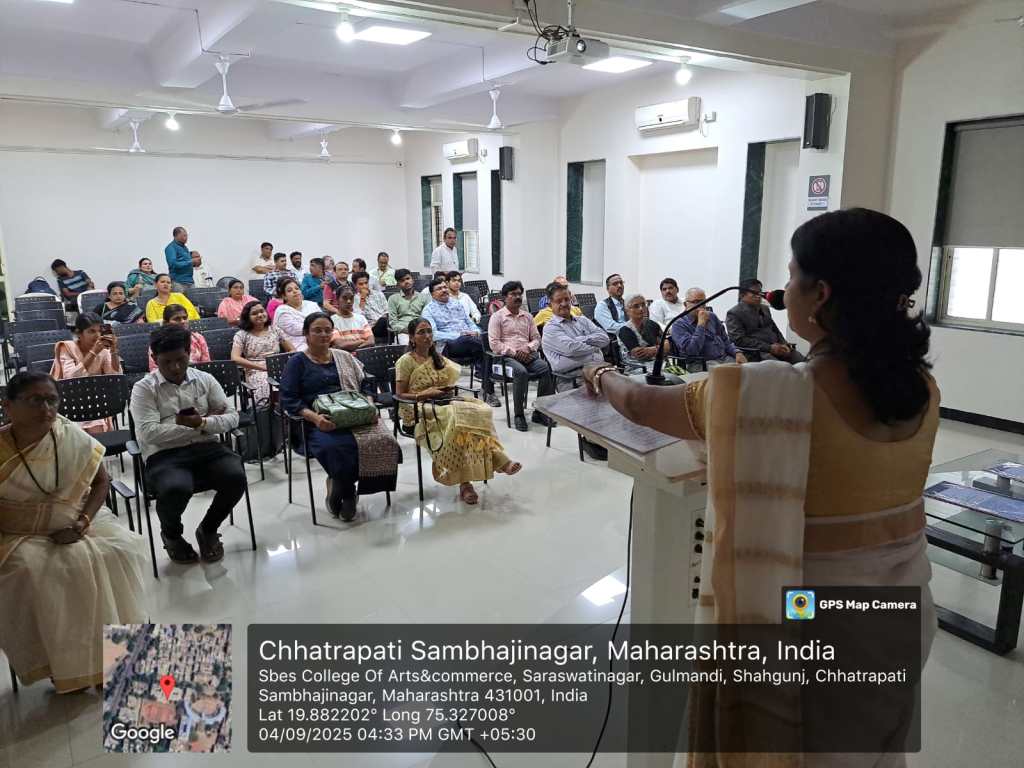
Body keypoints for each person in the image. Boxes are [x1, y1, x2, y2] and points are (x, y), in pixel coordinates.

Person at [582, 208, 939, 761]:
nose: (782, 290)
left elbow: (643, 403)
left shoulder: (769, 393)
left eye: (791, 276)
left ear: (820, 294)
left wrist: (601, 374)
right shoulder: (922, 386)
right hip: (902, 614)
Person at [0, 372, 148, 693]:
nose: (46, 409)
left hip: (76, 521)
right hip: (17, 533)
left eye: (51, 400)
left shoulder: (69, 434)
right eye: (34, 400)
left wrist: (81, 524)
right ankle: (62, 665)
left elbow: (102, 482)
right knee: (32, 572)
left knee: (118, 551)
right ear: (8, 406)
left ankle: (111, 658)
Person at [130, 324, 246, 564]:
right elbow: (149, 434)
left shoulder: (205, 379)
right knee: (176, 487)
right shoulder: (143, 389)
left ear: (189, 353)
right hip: (164, 455)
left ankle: (208, 529)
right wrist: (202, 424)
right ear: (154, 358)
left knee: (236, 477)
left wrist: (199, 422)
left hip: (207, 448)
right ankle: (172, 535)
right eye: (167, 362)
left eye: (181, 360)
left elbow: (232, 417)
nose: (175, 367)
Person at [280, 313, 400, 520]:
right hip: (319, 421)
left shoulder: (343, 357)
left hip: (355, 416)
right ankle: (347, 492)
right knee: (336, 448)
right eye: (317, 330)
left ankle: (342, 484)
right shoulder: (297, 362)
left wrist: (370, 408)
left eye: (328, 330)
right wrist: (315, 418)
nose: (323, 334)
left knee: (384, 440)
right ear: (306, 334)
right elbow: (289, 399)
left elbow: (366, 384)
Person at [396, 319, 521, 505]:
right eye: (421, 332)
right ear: (412, 338)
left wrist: (445, 390)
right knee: (457, 419)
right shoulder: (405, 361)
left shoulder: (438, 358)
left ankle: (477, 473)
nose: (427, 336)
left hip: (442, 402)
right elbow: (400, 395)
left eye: (429, 331)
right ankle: (472, 479)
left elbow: (448, 383)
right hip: (418, 407)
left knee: (479, 411)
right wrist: (425, 394)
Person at [540, 280, 610, 460]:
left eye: (567, 299)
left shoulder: (582, 320)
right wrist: (593, 348)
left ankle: (608, 438)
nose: (564, 304)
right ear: (550, 304)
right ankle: (592, 440)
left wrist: (580, 344)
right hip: (569, 379)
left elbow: (604, 338)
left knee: (622, 392)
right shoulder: (550, 328)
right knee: (596, 399)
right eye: (559, 301)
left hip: (596, 371)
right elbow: (570, 349)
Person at [420, 278, 501, 407]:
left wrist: (476, 332)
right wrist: (460, 335)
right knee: (483, 344)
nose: (444, 290)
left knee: (484, 347)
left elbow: (469, 322)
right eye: (439, 289)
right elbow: (433, 334)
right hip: (448, 345)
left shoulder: (456, 304)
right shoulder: (428, 310)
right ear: (432, 294)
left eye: (445, 287)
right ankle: (498, 361)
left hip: (470, 342)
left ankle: (488, 391)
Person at [487, 281, 554, 432]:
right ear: (505, 297)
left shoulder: (528, 316)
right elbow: (494, 344)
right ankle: (519, 415)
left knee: (545, 368)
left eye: (519, 294)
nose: (517, 297)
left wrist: (528, 348)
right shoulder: (497, 317)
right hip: (505, 358)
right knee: (520, 372)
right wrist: (515, 353)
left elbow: (537, 338)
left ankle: (540, 412)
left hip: (527, 355)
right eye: (513, 294)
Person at [50, 313, 122, 434]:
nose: (97, 335)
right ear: (79, 333)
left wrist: (114, 351)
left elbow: (115, 377)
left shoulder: (103, 350)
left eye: (99, 331)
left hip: (95, 399)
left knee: (96, 426)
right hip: (70, 399)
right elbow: (71, 379)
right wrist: (93, 353)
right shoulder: (67, 348)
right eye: (91, 331)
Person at [726, 278, 805, 363]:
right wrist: (769, 348)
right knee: (781, 367)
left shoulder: (765, 308)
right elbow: (739, 340)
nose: (759, 295)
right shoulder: (734, 313)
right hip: (758, 352)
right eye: (754, 293)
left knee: (803, 362)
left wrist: (784, 344)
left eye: (760, 292)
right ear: (742, 295)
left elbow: (775, 329)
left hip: (777, 347)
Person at [231, 300, 293, 405]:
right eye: (254, 313)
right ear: (247, 317)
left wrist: (283, 364)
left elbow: (292, 350)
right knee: (267, 383)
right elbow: (235, 358)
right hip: (256, 370)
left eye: (262, 311)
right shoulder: (241, 335)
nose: (260, 315)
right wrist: (263, 368)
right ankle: (269, 410)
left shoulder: (275, 330)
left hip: (277, 366)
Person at [670, 287, 748, 367]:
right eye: (695, 302)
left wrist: (737, 352)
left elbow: (725, 340)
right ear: (685, 304)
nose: (700, 306)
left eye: (703, 302)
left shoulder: (712, 316)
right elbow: (691, 351)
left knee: (747, 369)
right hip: (701, 364)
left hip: (724, 358)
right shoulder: (678, 324)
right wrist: (701, 325)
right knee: (731, 372)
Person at [148, 304, 210, 371]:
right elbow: (155, 370)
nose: (183, 321)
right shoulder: (158, 342)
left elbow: (206, 365)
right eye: (177, 319)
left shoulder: (198, 338)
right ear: (166, 323)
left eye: (185, 318)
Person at [272, 277, 320, 352]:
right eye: (289, 290)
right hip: (298, 346)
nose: (295, 291)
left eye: (297, 288)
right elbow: (299, 330)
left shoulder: (312, 304)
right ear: (284, 296)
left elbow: (324, 321)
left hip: (320, 339)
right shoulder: (282, 311)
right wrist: (320, 328)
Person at [618, 293, 668, 364]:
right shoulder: (625, 330)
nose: (641, 308)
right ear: (627, 311)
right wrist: (660, 348)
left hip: (659, 363)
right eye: (636, 306)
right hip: (637, 367)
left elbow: (667, 346)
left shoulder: (652, 324)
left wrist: (652, 350)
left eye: (643, 305)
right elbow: (640, 355)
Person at [387, 268, 427, 345]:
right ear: (398, 284)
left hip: (421, 330)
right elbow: (393, 322)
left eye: (408, 279)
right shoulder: (393, 299)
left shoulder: (423, 297)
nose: (406, 282)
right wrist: (405, 329)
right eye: (402, 280)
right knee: (407, 345)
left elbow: (426, 317)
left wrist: (419, 329)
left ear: (413, 280)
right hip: (403, 332)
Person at [351, 271, 390, 342]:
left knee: (388, 320)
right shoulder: (354, 299)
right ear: (355, 285)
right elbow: (358, 318)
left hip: (384, 323)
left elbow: (387, 311)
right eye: (361, 284)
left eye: (366, 283)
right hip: (370, 328)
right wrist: (362, 299)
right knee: (383, 321)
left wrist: (382, 319)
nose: (364, 286)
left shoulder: (379, 294)